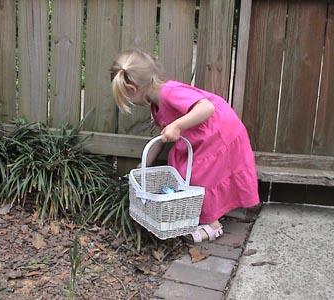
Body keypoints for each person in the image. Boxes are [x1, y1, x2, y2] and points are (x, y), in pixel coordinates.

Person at [110, 48, 260, 243]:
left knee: (195, 175)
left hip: (219, 133)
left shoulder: (170, 92)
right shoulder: (157, 104)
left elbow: (207, 107)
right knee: (178, 167)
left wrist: (177, 125)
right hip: (204, 137)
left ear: (132, 88)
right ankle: (200, 215)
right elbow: (161, 136)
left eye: (127, 96)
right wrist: (144, 164)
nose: (129, 101)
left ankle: (212, 223)